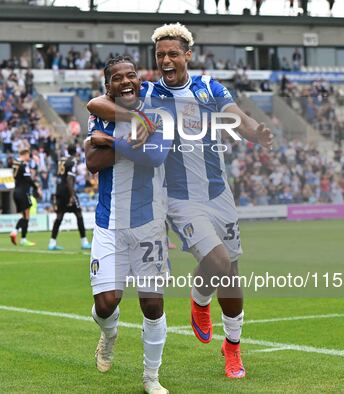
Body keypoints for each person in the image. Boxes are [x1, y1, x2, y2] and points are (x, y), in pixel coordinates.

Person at [87, 23, 273, 379]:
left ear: (188, 55)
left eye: (173, 53)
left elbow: (236, 116)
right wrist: (129, 117)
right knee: (217, 261)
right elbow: (96, 102)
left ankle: (232, 348)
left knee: (231, 273)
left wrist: (255, 132)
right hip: (179, 199)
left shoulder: (207, 87)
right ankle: (200, 299)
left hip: (219, 192)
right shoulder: (148, 93)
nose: (166, 60)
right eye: (160, 55)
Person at [85, 56, 173, 394]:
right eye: (117, 78)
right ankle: (109, 333)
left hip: (148, 223)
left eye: (131, 75)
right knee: (106, 303)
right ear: (108, 86)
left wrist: (114, 144)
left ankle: (151, 378)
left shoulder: (158, 109)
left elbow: (156, 156)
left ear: (140, 79)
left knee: (152, 303)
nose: (125, 81)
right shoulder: (100, 114)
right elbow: (93, 162)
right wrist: (132, 140)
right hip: (109, 223)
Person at [48, 144, 91, 251]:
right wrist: (72, 195)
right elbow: (69, 178)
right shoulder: (73, 161)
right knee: (79, 214)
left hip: (59, 190)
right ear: (76, 152)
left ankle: (52, 243)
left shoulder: (61, 160)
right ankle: (84, 242)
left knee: (59, 216)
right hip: (68, 191)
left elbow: (60, 176)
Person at [9, 148, 41, 246]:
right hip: (24, 193)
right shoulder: (23, 164)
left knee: (24, 216)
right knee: (27, 216)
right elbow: (28, 179)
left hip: (16, 192)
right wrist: (37, 188)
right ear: (25, 154)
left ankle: (16, 233)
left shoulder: (15, 163)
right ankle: (21, 237)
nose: (29, 157)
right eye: (28, 155)